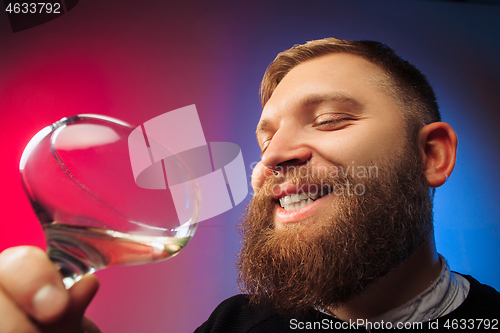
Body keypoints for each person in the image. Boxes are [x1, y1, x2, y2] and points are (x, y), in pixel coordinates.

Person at [0, 37, 498, 332]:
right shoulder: (234, 325)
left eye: (328, 120)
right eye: (265, 141)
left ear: (431, 156)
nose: (273, 158)